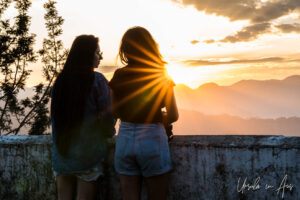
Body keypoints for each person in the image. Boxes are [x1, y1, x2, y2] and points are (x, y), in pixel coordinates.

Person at [109, 26, 179, 200]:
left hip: (125, 138)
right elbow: (174, 114)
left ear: (125, 50)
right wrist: (162, 117)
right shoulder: (160, 74)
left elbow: (115, 111)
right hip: (152, 138)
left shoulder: (119, 75)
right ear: (150, 47)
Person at [51, 35, 115, 200]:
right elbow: (107, 117)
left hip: (62, 156)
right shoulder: (97, 80)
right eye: (97, 53)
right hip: (88, 156)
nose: (100, 57)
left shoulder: (60, 82)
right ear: (87, 55)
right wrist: (109, 132)